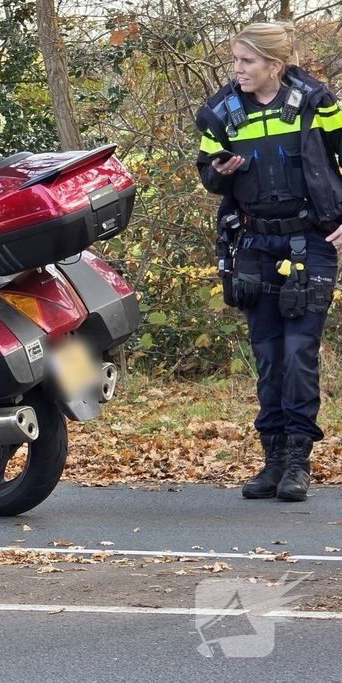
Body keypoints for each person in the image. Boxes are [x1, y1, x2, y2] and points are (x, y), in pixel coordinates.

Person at [195, 22, 342, 502]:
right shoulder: (221, 114)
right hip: (253, 244)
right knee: (268, 355)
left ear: (274, 66)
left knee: (299, 355)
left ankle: (299, 462)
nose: (237, 70)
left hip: (311, 240)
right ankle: (272, 461)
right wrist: (218, 173)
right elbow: (207, 174)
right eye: (235, 61)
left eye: (246, 61)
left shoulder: (318, 103)